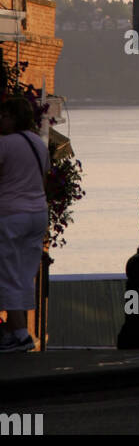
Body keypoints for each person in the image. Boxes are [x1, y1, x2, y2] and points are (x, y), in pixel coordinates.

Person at [0, 94, 49, 353]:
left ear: (14, 118)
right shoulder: (38, 143)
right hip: (38, 213)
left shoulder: (5, 144)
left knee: (6, 272)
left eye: (5, 116)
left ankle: (20, 335)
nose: (1, 120)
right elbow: (43, 178)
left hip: (11, 214)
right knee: (23, 274)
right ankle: (13, 332)